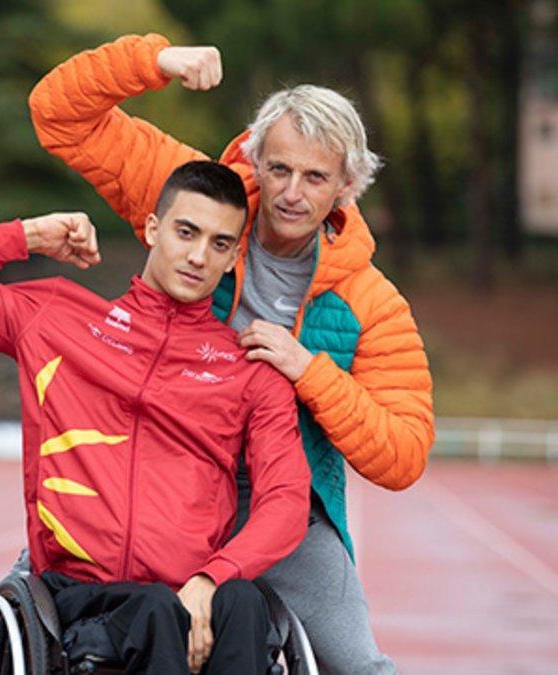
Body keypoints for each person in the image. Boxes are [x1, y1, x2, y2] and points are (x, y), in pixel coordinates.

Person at [30, 35, 436, 674]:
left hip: (278, 501)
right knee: (47, 599)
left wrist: (309, 371)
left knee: (359, 666)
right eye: (278, 168)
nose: (291, 193)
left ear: (345, 187)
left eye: (315, 176)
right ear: (254, 156)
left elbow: (404, 454)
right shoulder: (198, 200)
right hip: (155, 474)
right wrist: (152, 62)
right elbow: (59, 114)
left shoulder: (373, 305)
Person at [0, 161, 310, 674]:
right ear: (153, 229)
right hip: (84, 597)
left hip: (193, 590)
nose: (198, 256)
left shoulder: (249, 371)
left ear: (234, 255)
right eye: (185, 232)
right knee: (154, 610)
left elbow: (286, 500)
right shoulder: (58, 319)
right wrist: (28, 235)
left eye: (219, 243)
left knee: (242, 603)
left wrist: (213, 578)